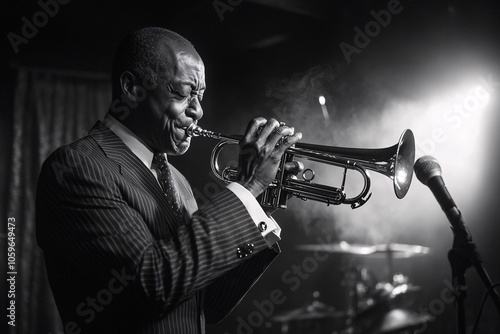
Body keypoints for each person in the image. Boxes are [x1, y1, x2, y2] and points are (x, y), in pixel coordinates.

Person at [36, 27, 302, 334]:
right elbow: (152, 286)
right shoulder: (76, 167)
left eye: (200, 96)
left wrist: (256, 207)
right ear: (133, 89)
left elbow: (207, 304)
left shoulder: (177, 179)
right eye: (183, 92)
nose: (198, 110)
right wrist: (247, 187)